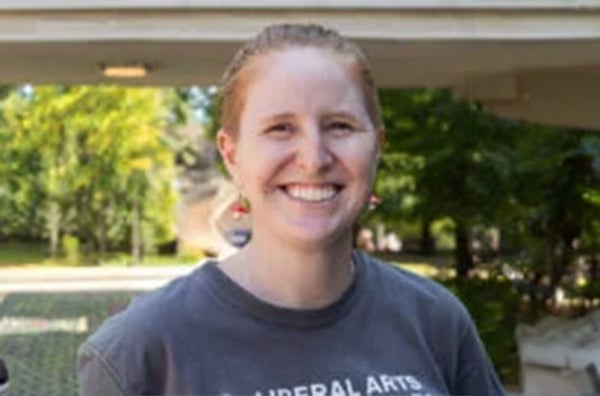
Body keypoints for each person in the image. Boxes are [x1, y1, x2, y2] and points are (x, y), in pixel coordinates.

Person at [77, 23, 505, 396]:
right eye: (280, 128)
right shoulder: (142, 350)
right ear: (232, 154)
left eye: (340, 126)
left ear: (377, 146)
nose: (314, 157)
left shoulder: (435, 321)